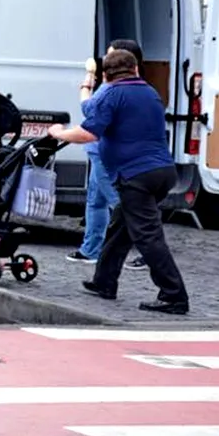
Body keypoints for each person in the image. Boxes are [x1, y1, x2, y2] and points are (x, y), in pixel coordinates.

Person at [48, 49, 188, 315]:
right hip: (163, 172)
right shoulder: (150, 92)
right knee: (120, 227)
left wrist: (60, 133)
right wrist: (86, 86)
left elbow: (89, 133)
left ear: (106, 74)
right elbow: (92, 108)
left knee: (148, 236)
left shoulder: (113, 94)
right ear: (135, 69)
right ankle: (104, 281)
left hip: (136, 175)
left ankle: (174, 295)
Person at [67, 39, 148, 272]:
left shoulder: (113, 85)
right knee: (96, 201)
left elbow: (89, 109)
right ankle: (90, 249)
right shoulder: (128, 85)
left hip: (104, 152)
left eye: (111, 55)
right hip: (98, 151)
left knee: (118, 202)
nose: (106, 59)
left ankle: (145, 251)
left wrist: (85, 87)